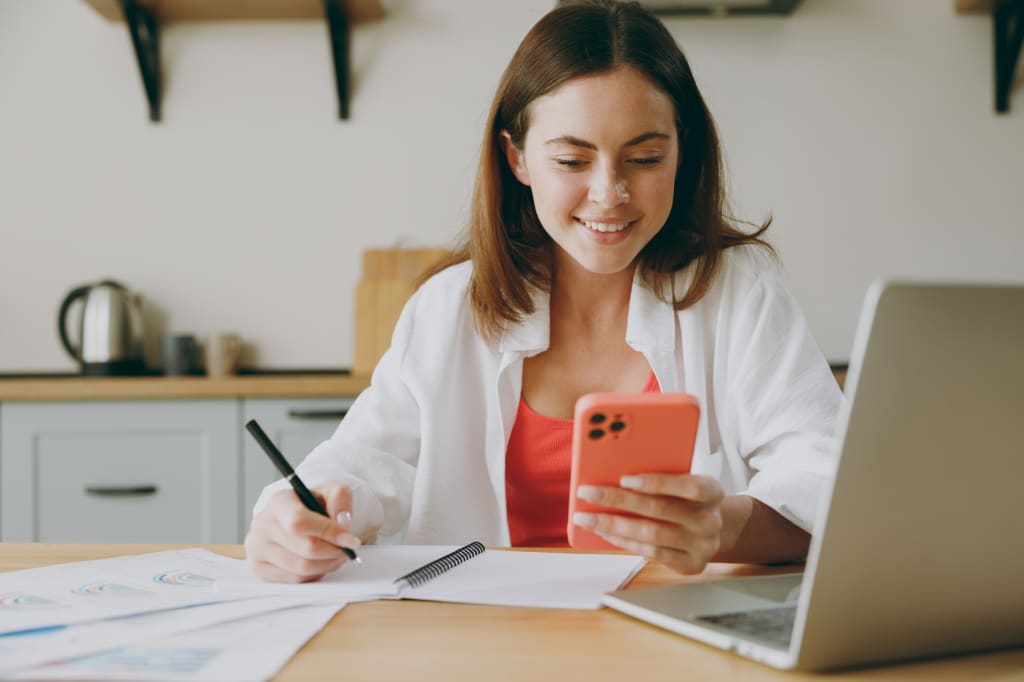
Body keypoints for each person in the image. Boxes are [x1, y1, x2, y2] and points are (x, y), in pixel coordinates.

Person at [245, 0, 842, 583]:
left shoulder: (739, 297)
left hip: (678, 636)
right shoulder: (450, 308)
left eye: (645, 157)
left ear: (681, 153)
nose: (609, 193)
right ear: (518, 157)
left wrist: (725, 526)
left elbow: (828, 482)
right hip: (493, 641)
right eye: (571, 160)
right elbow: (361, 466)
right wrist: (294, 518)